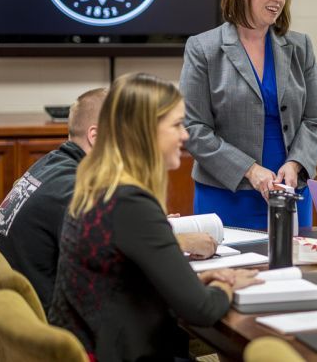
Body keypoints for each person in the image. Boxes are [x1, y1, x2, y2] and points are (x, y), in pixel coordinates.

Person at [48, 73, 261, 361]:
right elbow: (201, 311)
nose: (185, 135)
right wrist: (227, 284)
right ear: (144, 131)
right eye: (176, 125)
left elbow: (125, 281)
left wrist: (200, 283)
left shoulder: (99, 186)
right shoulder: (129, 202)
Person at [0, 89, 217, 313]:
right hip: (56, 337)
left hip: (18, 321)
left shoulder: (50, 166)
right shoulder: (76, 189)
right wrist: (181, 241)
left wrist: (149, 229)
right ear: (96, 137)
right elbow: (121, 253)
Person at [180, 0, 317, 229]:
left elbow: (316, 120)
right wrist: (249, 170)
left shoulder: (300, 46)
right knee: (230, 271)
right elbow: (193, 128)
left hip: (290, 190)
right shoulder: (203, 48)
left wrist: (296, 163)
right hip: (227, 194)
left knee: (294, 270)